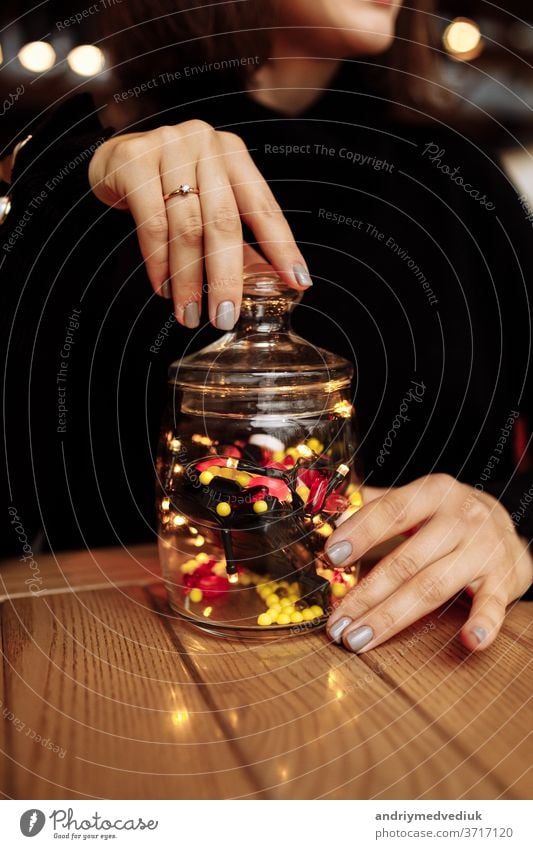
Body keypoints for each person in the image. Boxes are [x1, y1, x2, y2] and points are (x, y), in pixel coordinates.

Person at [1, 0, 531, 654]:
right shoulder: (85, 171)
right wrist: (66, 188)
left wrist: (507, 527)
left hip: (430, 665)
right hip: (137, 662)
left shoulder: (461, 179)